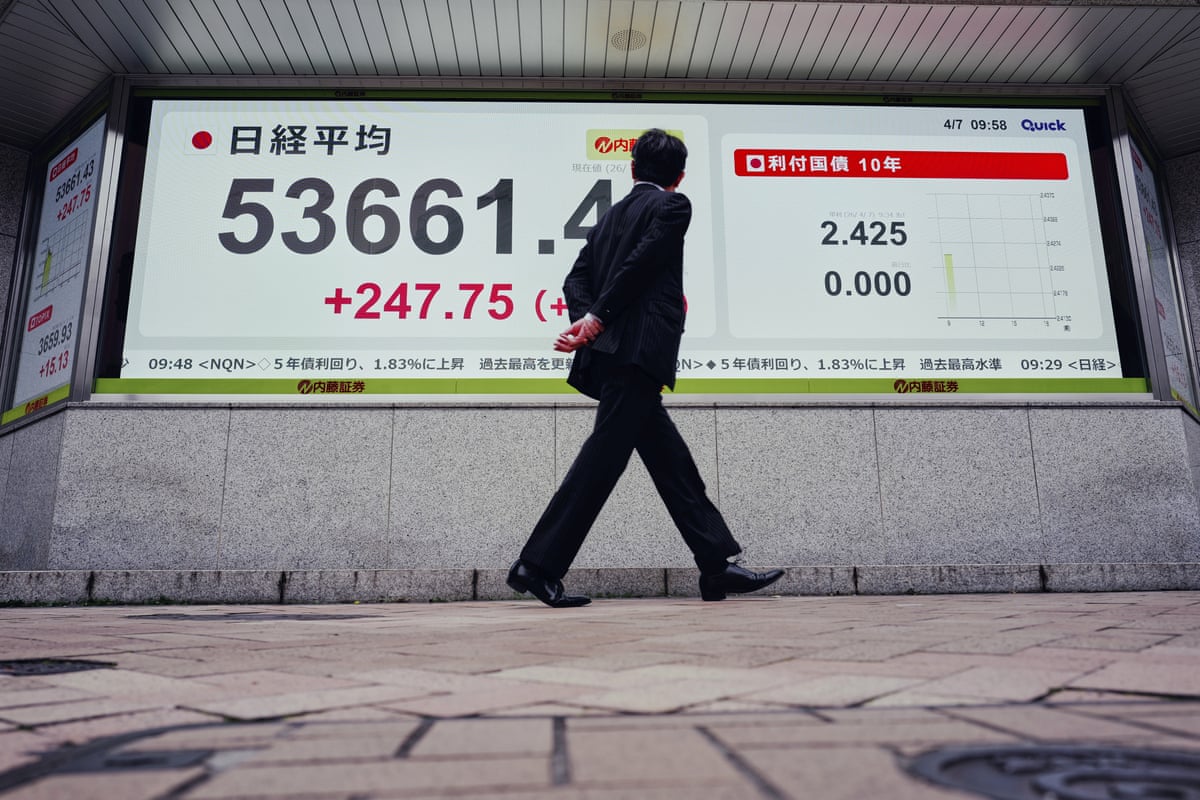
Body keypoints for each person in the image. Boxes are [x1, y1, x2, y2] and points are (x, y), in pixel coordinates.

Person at [506, 128, 784, 608]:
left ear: (632, 168)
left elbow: (577, 276)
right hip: (639, 351)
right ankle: (536, 566)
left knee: (672, 463)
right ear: (678, 177)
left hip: (616, 354)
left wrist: (588, 319)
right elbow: (642, 263)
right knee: (601, 463)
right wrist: (595, 320)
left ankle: (716, 566)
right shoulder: (674, 207)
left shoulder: (608, 219)